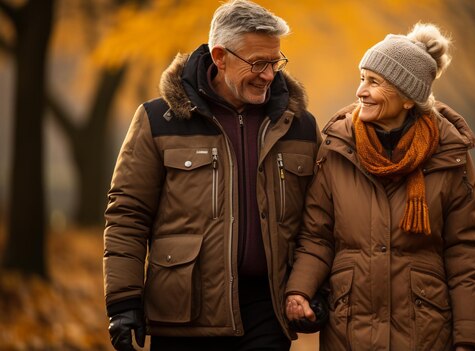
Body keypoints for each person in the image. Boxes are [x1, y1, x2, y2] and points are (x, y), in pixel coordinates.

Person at [103, 1, 320, 350]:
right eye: (258, 63)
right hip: (183, 316)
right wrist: (124, 300)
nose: (269, 74)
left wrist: (309, 288)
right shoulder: (158, 120)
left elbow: (317, 221)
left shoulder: (300, 125)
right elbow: (127, 213)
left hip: (268, 313)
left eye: (276, 62)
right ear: (220, 57)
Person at [285, 23, 475, 351]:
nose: (361, 91)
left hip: (425, 333)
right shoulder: (337, 149)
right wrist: (299, 290)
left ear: (408, 98)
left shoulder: (449, 156)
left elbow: (465, 252)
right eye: (362, 78)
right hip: (349, 331)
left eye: (374, 82)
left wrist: (467, 339)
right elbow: (316, 236)